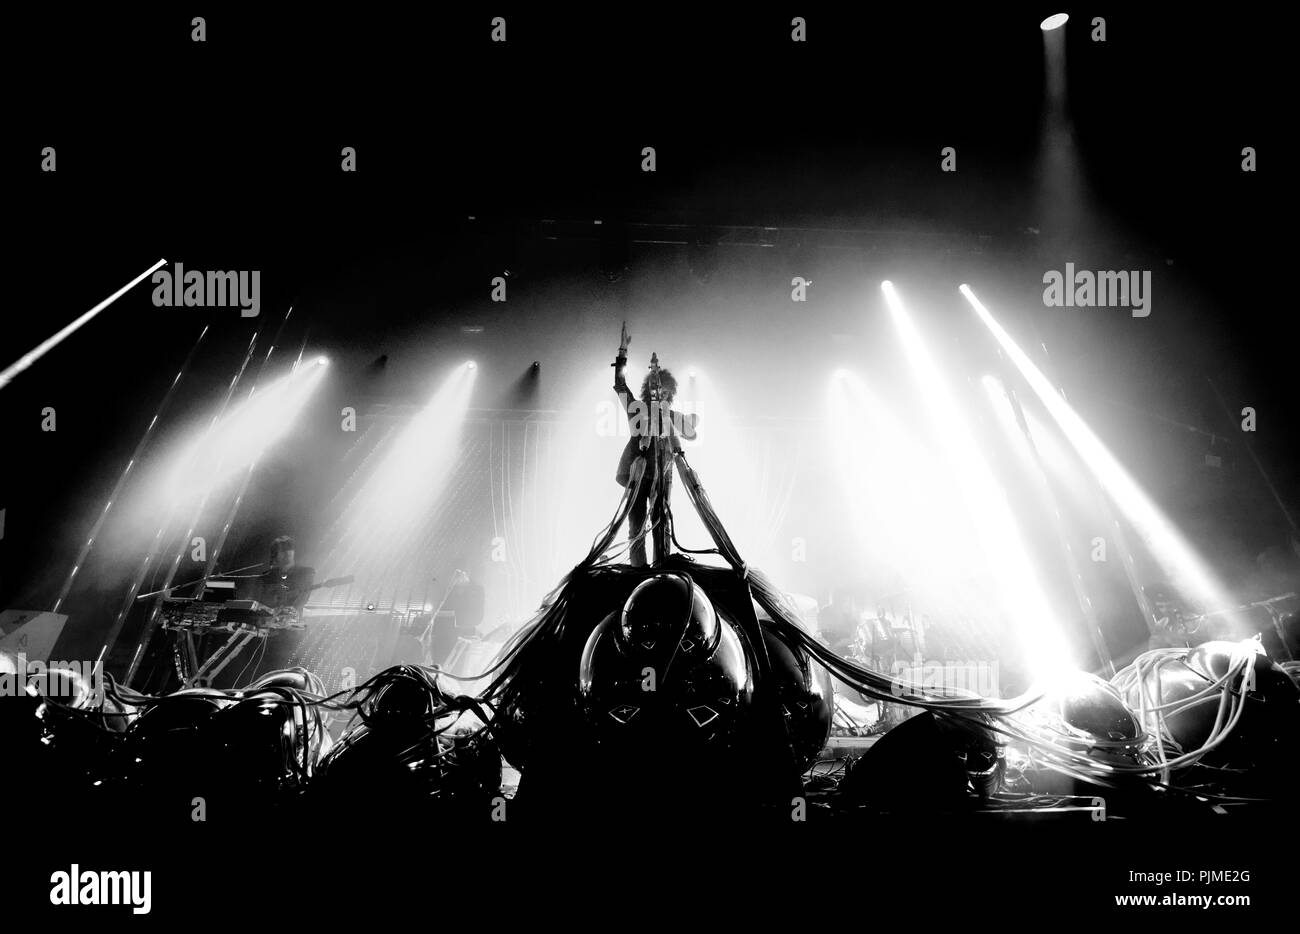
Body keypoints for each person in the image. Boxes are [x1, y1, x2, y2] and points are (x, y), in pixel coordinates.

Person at [612, 321, 698, 566]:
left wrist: (671, 418)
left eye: (660, 392)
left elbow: (691, 432)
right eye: (651, 389)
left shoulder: (670, 415)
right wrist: (622, 353)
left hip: (663, 474)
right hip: (638, 475)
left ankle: (661, 569)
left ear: (668, 394)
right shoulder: (637, 409)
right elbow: (620, 386)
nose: (656, 394)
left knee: (662, 525)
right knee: (635, 527)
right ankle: (638, 571)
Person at [248, 535, 315, 612]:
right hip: (264, 621)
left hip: (290, 621)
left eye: (290, 548)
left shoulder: (306, 573)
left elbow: (301, 600)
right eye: (283, 549)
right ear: (275, 555)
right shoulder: (264, 577)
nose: (287, 552)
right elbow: (253, 601)